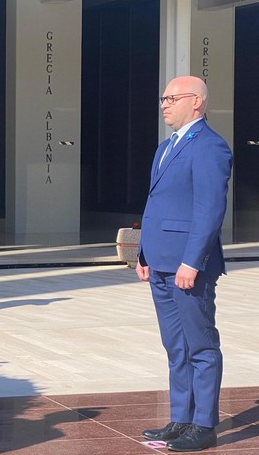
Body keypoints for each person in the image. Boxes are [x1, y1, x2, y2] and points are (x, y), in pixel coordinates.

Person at [136, 76, 232, 452]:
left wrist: (192, 262)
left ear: (196, 102)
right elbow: (157, 204)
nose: (164, 104)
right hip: (159, 263)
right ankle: (181, 418)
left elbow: (209, 210)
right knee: (175, 346)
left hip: (188, 267)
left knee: (200, 346)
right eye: (162, 98)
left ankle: (204, 424)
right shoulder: (164, 147)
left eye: (171, 98)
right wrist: (143, 252)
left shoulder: (210, 147)